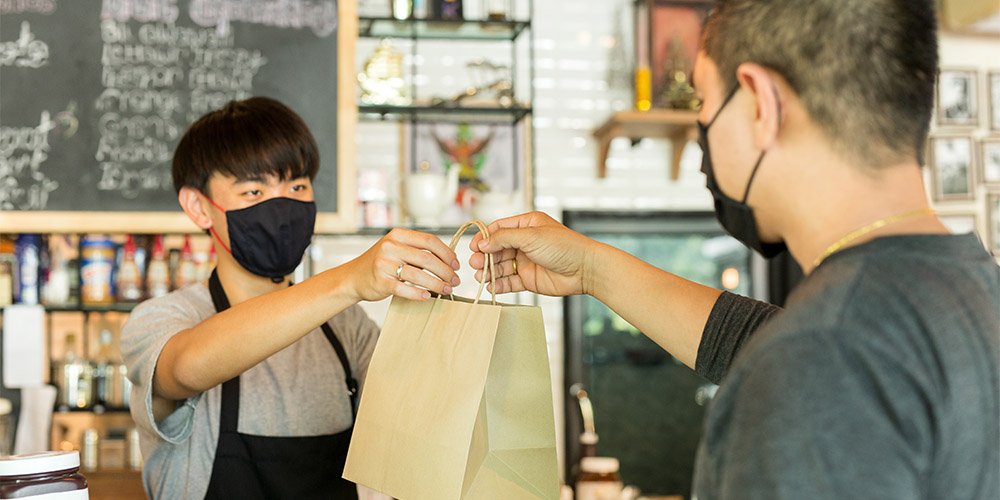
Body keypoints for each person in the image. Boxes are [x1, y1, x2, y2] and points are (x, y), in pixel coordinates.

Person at [470, 0, 1000, 498]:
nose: (703, 128)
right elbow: (758, 337)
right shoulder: (971, 293)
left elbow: (804, 351)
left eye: (704, 100)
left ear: (761, 104)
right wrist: (590, 266)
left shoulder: (822, 355)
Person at [121, 97, 462, 499]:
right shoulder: (165, 318)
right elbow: (185, 369)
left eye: (297, 186)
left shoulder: (346, 329)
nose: (282, 206)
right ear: (198, 207)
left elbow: (416, 427)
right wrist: (349, 281)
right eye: (253, 190)